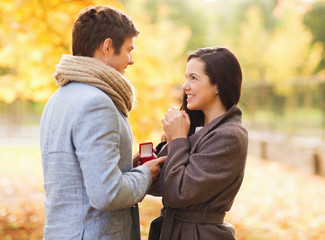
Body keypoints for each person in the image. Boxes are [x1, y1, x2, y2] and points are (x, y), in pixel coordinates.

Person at [40, 5, 165, 240]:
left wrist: (125, 166)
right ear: (107, 46)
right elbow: (107, 193)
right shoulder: (96, 102)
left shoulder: (57, 99)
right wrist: (145, 175)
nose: (132, 60)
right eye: (129, 50)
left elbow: (77, 174)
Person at [148, 47, 248, 240]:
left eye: (193, 78)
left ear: (218, 85)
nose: (185, 86)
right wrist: (145, 165)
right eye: (186, 77)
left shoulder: (230, 135)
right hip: (171, 230)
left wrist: (177, 139)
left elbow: (178, 192)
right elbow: (159, 186)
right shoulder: (194, 128)